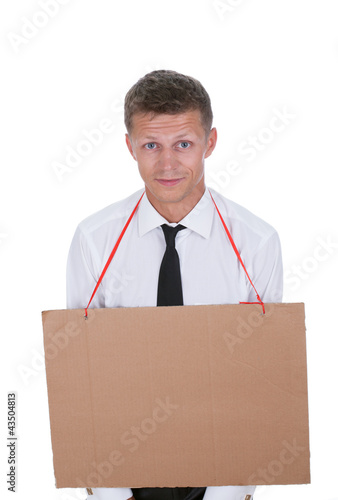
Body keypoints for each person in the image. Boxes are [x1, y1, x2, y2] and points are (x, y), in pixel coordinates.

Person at [66, 70, 283, 500]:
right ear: (130, 146)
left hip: (224, 469)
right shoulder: (95, 239)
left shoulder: (256, 242)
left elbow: (264, 379)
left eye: (183, 144)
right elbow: (79, 373)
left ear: (211, 142)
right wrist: (113, 493)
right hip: (121, 467)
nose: (167, 164)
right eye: (151, 145)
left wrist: (227, 493)